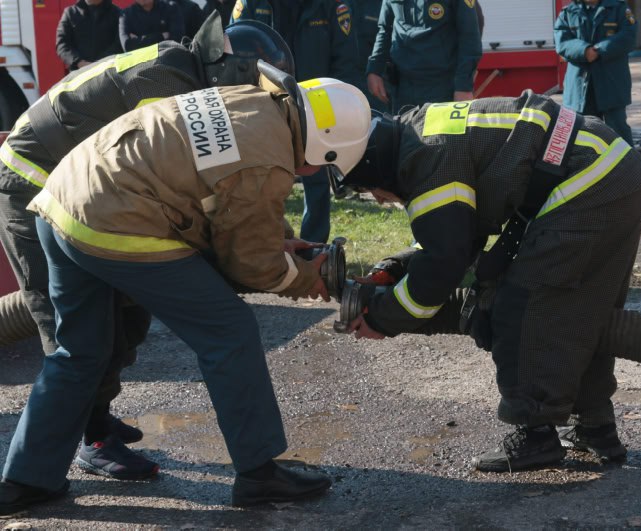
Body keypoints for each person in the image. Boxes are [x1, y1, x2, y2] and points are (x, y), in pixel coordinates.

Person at [0, 62, 371, 516]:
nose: (312, 172)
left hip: (61, 201)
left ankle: (26, 481)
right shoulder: (267, 158)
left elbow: (223, 199)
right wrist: (305, 278)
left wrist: (281, 242)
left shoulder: (254, 103)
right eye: (321, 166)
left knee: (79, 350)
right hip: (115, 221)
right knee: (228, 331)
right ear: (327, 145)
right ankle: (259, 474)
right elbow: (253, 266)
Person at [0, 12, 293, 487]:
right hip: (35, 182)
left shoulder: (185, 70)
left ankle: (86, 425)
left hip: (80, 190)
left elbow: (205, 187)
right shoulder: (168, 88)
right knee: (74, 331)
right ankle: (90, 438)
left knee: (128, 314)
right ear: (233, 72)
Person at [336, 92, 641, 472]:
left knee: (520, 308)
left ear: (372, 166)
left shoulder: (424, 161)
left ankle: (535, 435)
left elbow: (444, 264)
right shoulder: (419, 132)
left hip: (590, 182)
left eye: (367, 189)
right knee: (583, 312)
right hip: (612, 175)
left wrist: (381, 319)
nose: (376, 198)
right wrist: (394, 267)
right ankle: (597, 427)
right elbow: (455, 236)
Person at [230, 0, 362, 244]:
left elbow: (346, 61)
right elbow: (232, 49)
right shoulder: (251, 3)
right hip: (265, 104)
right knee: (262, 178)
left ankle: (313, 243)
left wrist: (341, 104)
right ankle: (265, 242)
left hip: (314, 105)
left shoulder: (331, 6)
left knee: (316, 177)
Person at [366, 0, 482, 114]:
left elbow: (470, 38)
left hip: (441, 88)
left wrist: (464, 87)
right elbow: (385, 29)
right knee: (404, 131)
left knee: (439, 133)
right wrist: (374, 70)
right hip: (402, 88)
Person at [555, 0, 637, 145]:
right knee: (583, 136)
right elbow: (561, 42)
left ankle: (628, 166)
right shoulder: (568, 13)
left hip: (612, 84)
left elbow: (628, 36)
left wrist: (600, 50)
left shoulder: (618, 9)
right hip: (580, 89)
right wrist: (584, 51)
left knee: (618, 131)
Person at [56, 0, 123, 71]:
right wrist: (79, 62)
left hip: (107, 72)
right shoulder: (70, 13)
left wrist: (101, 62)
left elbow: (119, 43)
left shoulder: (117, 13)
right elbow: (62, 44)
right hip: (79, 73)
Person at [119, 0, 185, 51]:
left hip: (167, 62)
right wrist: (161, 36)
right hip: (139, 65)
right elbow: (127, 45)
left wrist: (139, 40)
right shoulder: (126, 14)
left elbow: (176, 41)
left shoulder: (171, 8)